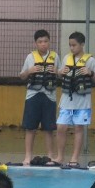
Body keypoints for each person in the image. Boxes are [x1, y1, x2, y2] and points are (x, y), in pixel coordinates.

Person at [54, 31, 95, 168]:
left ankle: (74, 158)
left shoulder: (90, 60)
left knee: (78, 128)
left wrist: (90, 73)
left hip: (82, 101)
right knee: (61, 127)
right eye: (70, 45)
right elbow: (59, 74)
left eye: (74, 45)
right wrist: (60, 72)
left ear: (82, 45)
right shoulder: (66, 58)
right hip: (66, 100)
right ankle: (60, 157)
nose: (71, 48)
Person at [19, 29, 60, 167]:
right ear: (36, 43)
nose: (43, 44)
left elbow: (61, 74)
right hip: (33, 95)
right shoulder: (30, 57)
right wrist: (29, 71)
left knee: (49, 128)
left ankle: (50, 155)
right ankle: (27, 156)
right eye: (40, 42)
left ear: (49, 42)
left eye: (46, 41)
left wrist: (57, 71)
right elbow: (22, 76)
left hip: (49, 96)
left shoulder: (55, 56)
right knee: (30, 127)